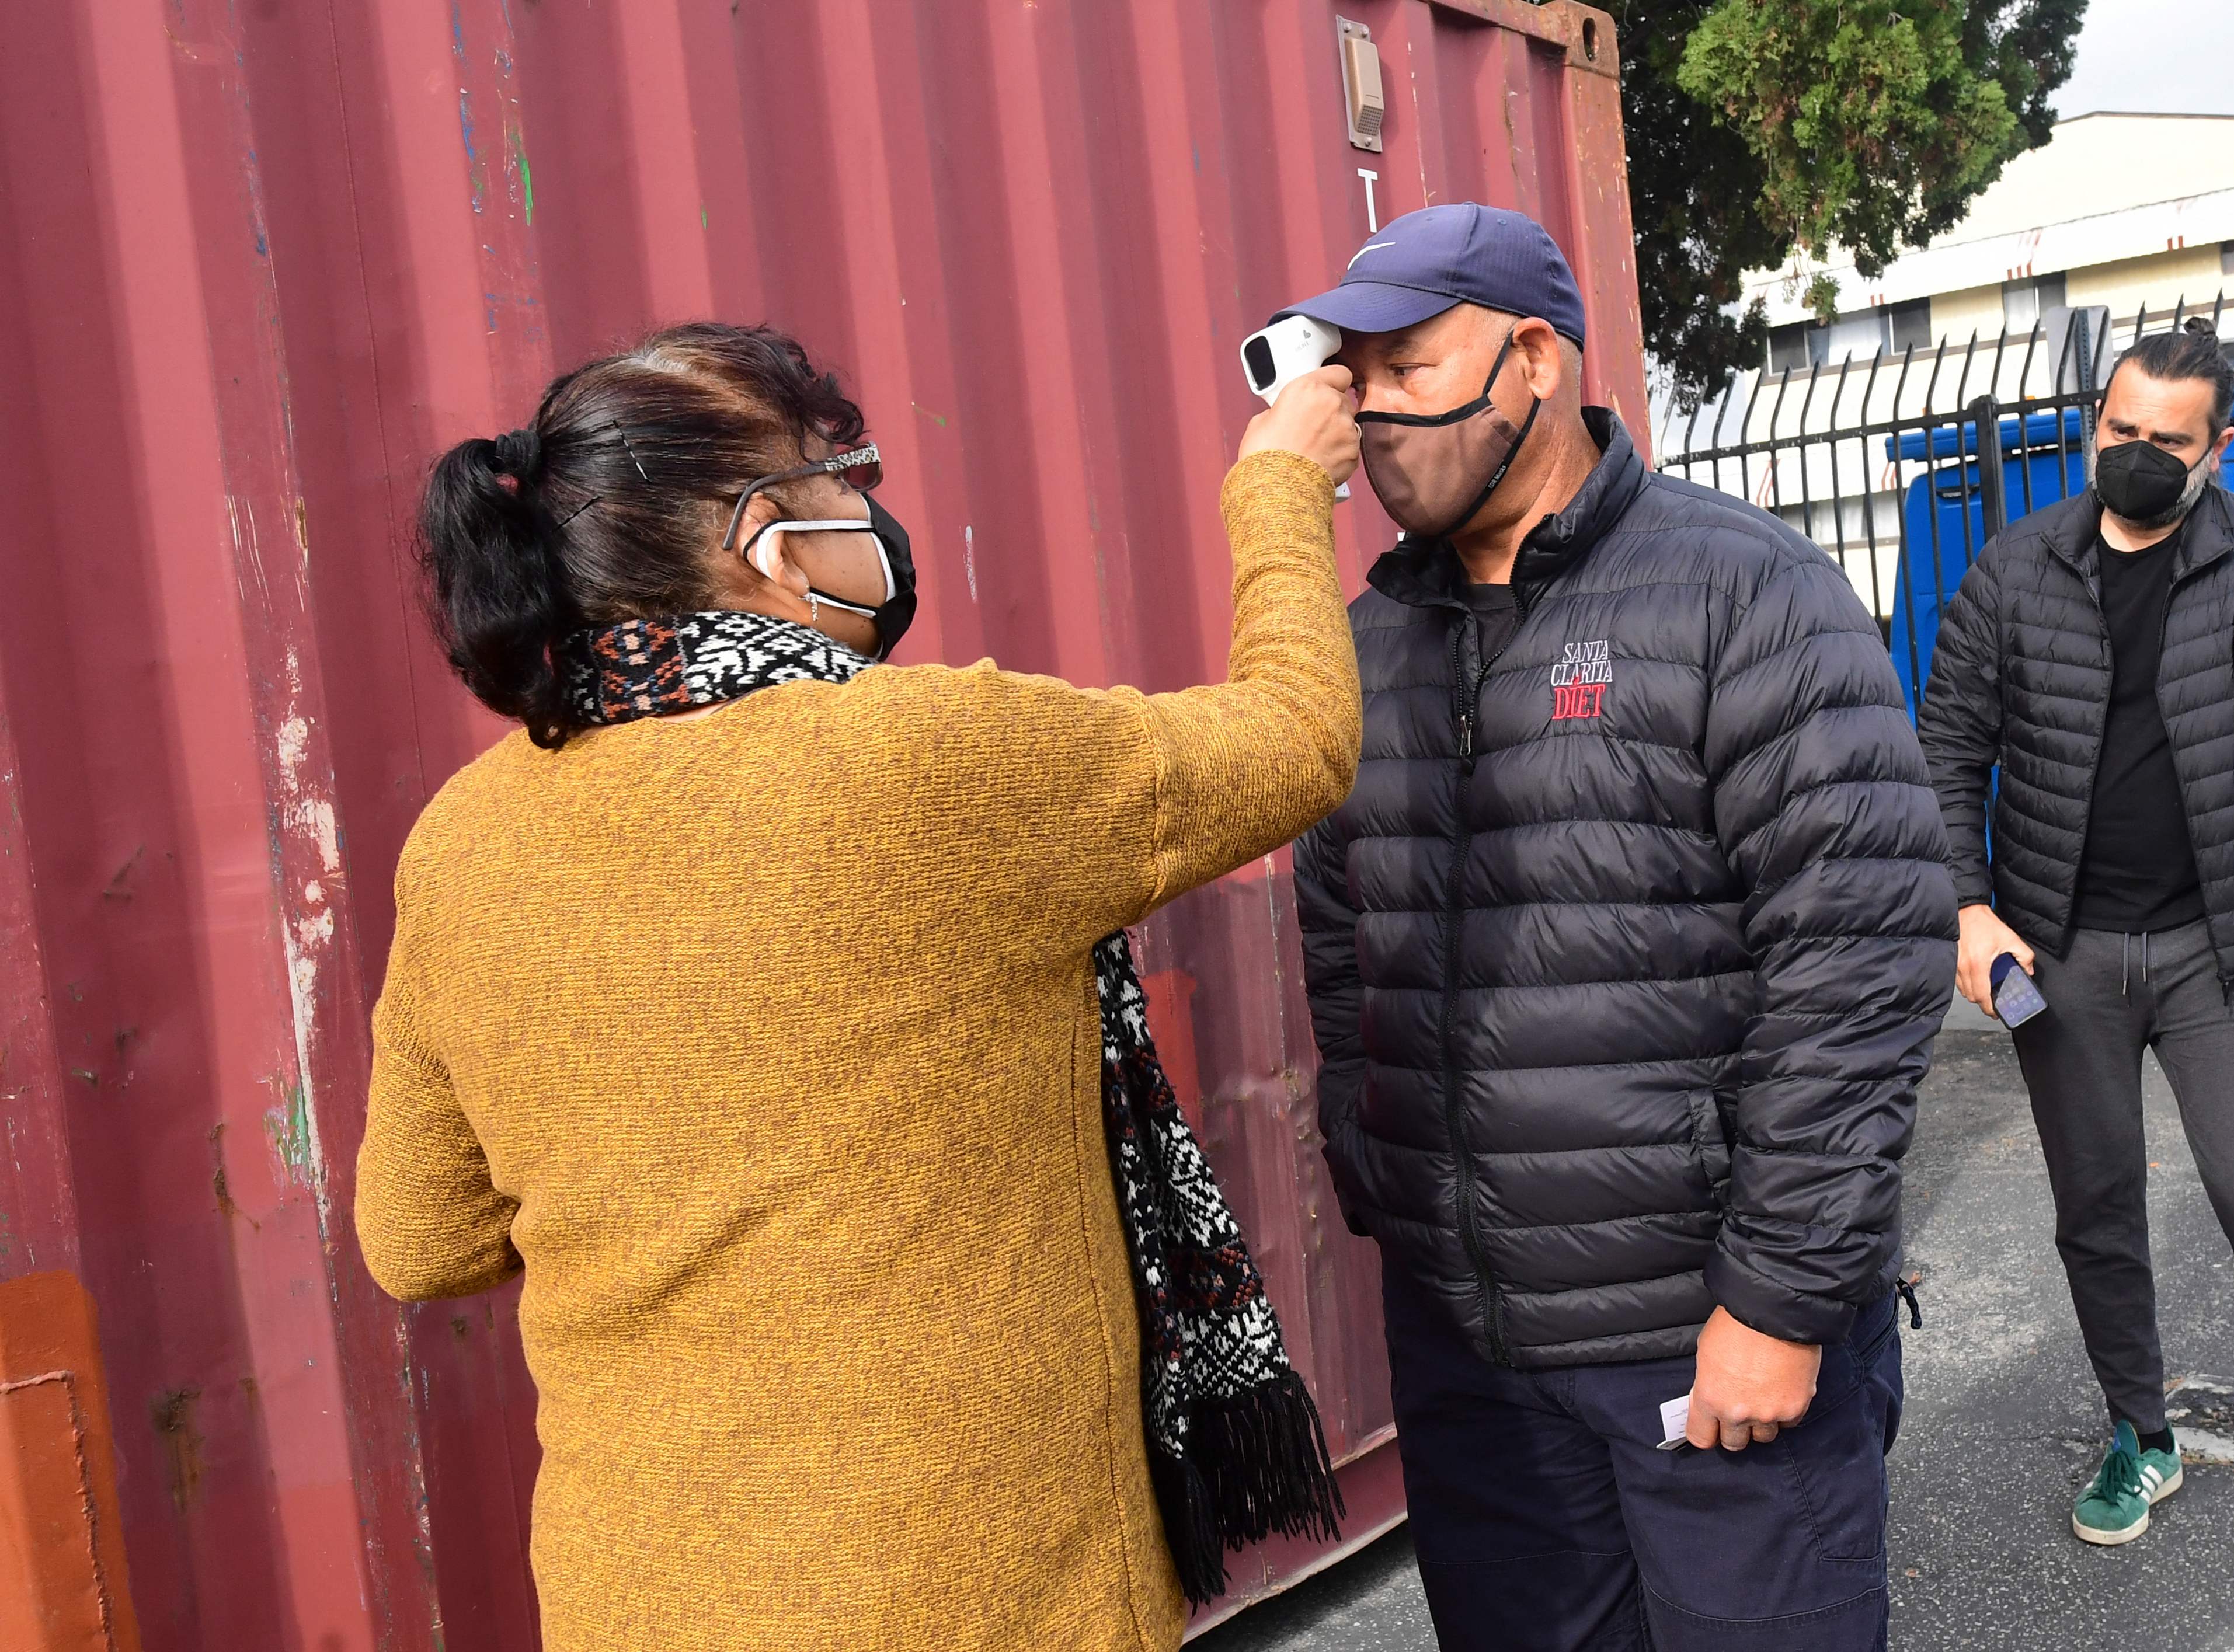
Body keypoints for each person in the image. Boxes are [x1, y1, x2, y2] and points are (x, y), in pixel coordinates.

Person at [353, 323, 1365, 1651]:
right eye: (847, 474)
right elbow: (1296, 736)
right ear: (757, 531)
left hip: (636, 1597)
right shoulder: (919, 761)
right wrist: (1280, 484)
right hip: (971, 1590)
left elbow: (420, 1241)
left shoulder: (462, 842)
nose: (870, 510)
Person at [1285, 204, 1956, 1651]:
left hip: (1697, 1325)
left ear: (1532, 359)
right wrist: (1381, 1173)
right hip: (1472, 1351)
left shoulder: (1742, 592)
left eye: (1402, 364)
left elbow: (1859, 956)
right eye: (1349, 375)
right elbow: (1342, 942)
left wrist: (1777, 1299)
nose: (1366, 412)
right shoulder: (1361, 643)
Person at [1919, 318, 2234, 1583]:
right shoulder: (2016, 565)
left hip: (2222, 942)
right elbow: (1942, 747)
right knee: (2096, 1204)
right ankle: (2141, 1431)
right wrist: (1965, 906)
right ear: (2096, 420)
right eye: (2119, 430)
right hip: (2062, 947)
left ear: (2219, 446)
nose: (2136, 455)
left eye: (2167, 440)